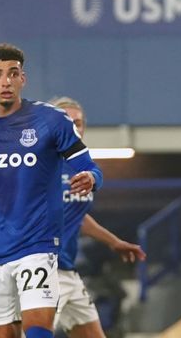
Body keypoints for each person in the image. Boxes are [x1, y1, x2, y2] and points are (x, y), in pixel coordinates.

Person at [0, 44, 103, 338]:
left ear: (22, 79)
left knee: (38, 329)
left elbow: (90, 166)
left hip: (37, 245)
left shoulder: (52, 120)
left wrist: (91, 177)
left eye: (13, 74)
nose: (6, 81)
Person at [49, 97, 146, 338]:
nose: (74, 128)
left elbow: (77, 216)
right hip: (42, 271)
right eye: (66, 122)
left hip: (68, 272)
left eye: (79, 123)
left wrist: (114, 242)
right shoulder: (37, 167)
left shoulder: (81, 168)